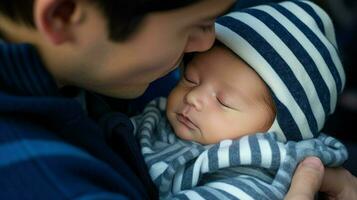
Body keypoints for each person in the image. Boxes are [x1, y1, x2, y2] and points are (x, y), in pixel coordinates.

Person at [0, 0, 356, 199]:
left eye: (226, 102)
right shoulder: (52, 180)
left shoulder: (121, 70)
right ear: (62, 14)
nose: (204, 43)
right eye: (195, 23)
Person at [131, 1, 351, 199]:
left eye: (223, 102)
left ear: (275, 131)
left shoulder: (248, 174)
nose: (193, 97)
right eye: (190, 79)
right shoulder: (159, 115)